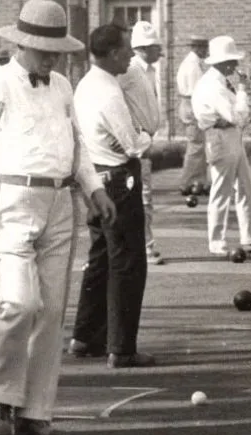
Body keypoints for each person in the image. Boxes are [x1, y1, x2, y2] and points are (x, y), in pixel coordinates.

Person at [0, 0, 113, 435]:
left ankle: (36, 411)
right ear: (20, 44)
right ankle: (1, 397)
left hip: (59, 203)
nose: (51, 56)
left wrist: (94, 187)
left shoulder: (61, 85)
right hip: (8, 203)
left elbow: (76, 144)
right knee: (21, 304)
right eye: (42, 48)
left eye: (56, 49)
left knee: (53, 311)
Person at [70, 22, 153, 367]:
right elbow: (134, 144)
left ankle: (86, 335)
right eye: (127, 50)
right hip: (118, 181)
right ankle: (121, 346)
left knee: (101, 258)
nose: (131, 56)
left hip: (94, 179)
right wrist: (146, 135)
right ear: (116, 53)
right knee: (128, 261)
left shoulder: (87, 84)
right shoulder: (109, 92)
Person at [193, 36, 251, 258]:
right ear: (222, 62)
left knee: (245, 187)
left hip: (230, 136)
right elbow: (237, 116)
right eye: (231, 60)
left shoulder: (220, 81)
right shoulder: (214, 85)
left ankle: (250, 238)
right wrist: (242, 91)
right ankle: (217, 242)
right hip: (220, 137)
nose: (235, 65)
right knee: (222, 190)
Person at [121, 22, 167, 266]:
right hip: (135, 140)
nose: (160, 50)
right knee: (141, 195)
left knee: (144, 193)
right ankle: (145, 246)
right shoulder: (129, 71)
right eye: (155, 46)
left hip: (147, 137)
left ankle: (144, 244)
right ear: (144, 48)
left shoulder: (149, 70)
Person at [174, 37, 210, 197]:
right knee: (195, 145)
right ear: (197, 48)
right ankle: (186, 182)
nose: (206, 52)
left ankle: (199, 181)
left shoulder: (190, 63)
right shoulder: (193, 66)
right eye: (204, 48)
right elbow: (198, 92)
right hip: (192, 104)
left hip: (188, 103)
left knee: (198, 145)